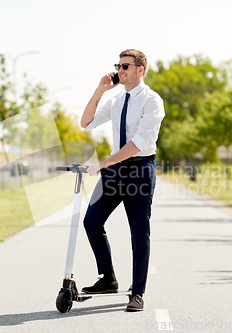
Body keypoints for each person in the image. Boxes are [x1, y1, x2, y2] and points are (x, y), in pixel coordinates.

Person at [80, 49, 165, 312]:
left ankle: (137, 292)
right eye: (118, 65)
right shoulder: (117, 100)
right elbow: (86, 122)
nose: (120, 70)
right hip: (115, 171)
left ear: (141, 69)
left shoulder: (152, 101)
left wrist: (104, 162)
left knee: (139, 232)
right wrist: (100, 89)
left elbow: (139, 143)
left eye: (125, 65)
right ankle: (108, 278)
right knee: (92, 221)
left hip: (139, 170)